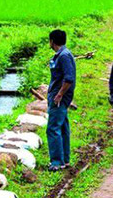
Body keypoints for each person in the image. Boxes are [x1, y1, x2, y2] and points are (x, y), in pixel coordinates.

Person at [47, 29, 76, 171]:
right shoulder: (62, 54)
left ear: (52, 41)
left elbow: (69, 78)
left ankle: (57, 162)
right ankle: (65, 160)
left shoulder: (64, 56)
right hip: (61, 97)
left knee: (53, 128)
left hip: (59, 98)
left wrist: (59, 94)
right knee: (63, 127)